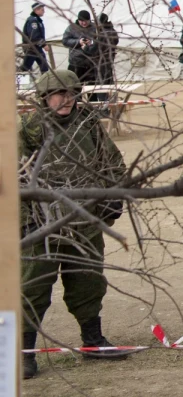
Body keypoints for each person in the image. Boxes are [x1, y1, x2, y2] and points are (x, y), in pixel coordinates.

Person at [19, 69, 129, 380]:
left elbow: (111, 161)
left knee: (88, 283)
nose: (66, 99)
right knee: (32, 289)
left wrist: (113, 195)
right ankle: (24, 354)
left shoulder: (87, 123)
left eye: (71, 93)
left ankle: (93, 343)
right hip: (40, 226)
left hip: (84, 223)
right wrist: (25, 222)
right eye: (58, 93)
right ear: (43, 97)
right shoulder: (29, 130)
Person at [62, 10, 100, 85]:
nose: (84, 23)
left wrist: (91, 42)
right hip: (76, 62)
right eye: (81, 21)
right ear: (78, 20)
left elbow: (99, 41)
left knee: (92, 88)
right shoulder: (72, 28)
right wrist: (78, 42)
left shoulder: (94, 28)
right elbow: (65, 41)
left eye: (86, 21)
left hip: (90, 62)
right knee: (75, 87)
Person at [21, 1, 50, 74]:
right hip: (32, 48)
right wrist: (44, 45)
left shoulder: (37, 20)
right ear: (36, 10)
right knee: (25, 68)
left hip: (37, 48)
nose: (44, 12)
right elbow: (34, 36)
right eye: (42, 10)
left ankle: (46, 83)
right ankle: (18, 83)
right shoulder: (33, 20)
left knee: (44, 67)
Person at [95, 13, 120, 86]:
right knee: (109, 77)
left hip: (102, 58)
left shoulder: (103, 33)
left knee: (102, 80)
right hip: (110, 57)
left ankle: (104, 96)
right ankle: (111, 94)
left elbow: (96, 47)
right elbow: (116, 41)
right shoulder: (112, 30)